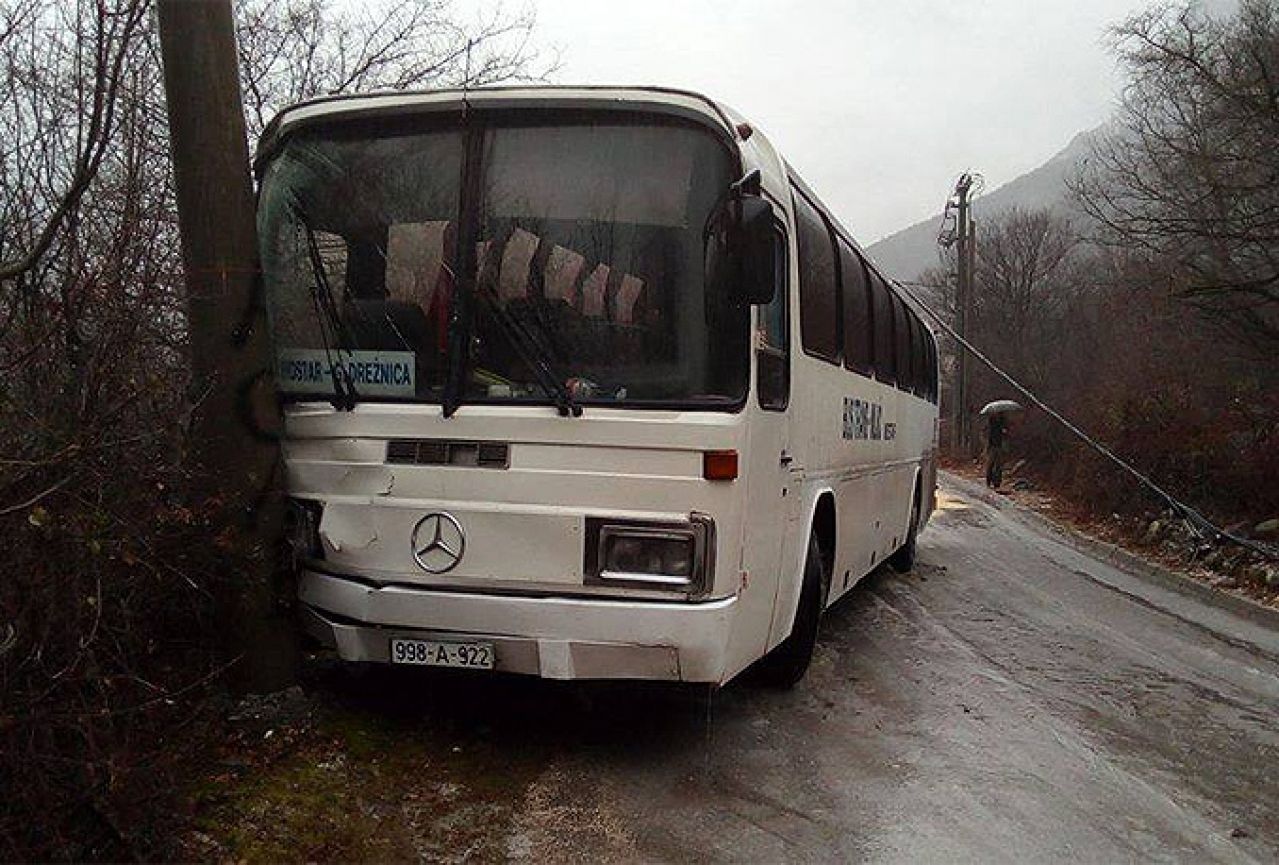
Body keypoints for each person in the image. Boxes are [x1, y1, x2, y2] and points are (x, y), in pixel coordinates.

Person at [986, 412, 1008, 489]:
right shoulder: (991, 421)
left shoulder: (1003, 421)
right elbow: (989, 434)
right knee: (990, 464)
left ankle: (997, 483)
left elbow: (1006, 433)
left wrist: (1004, 431)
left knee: (998, 465)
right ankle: (989, 480)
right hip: (993, 445)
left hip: (999, 445)